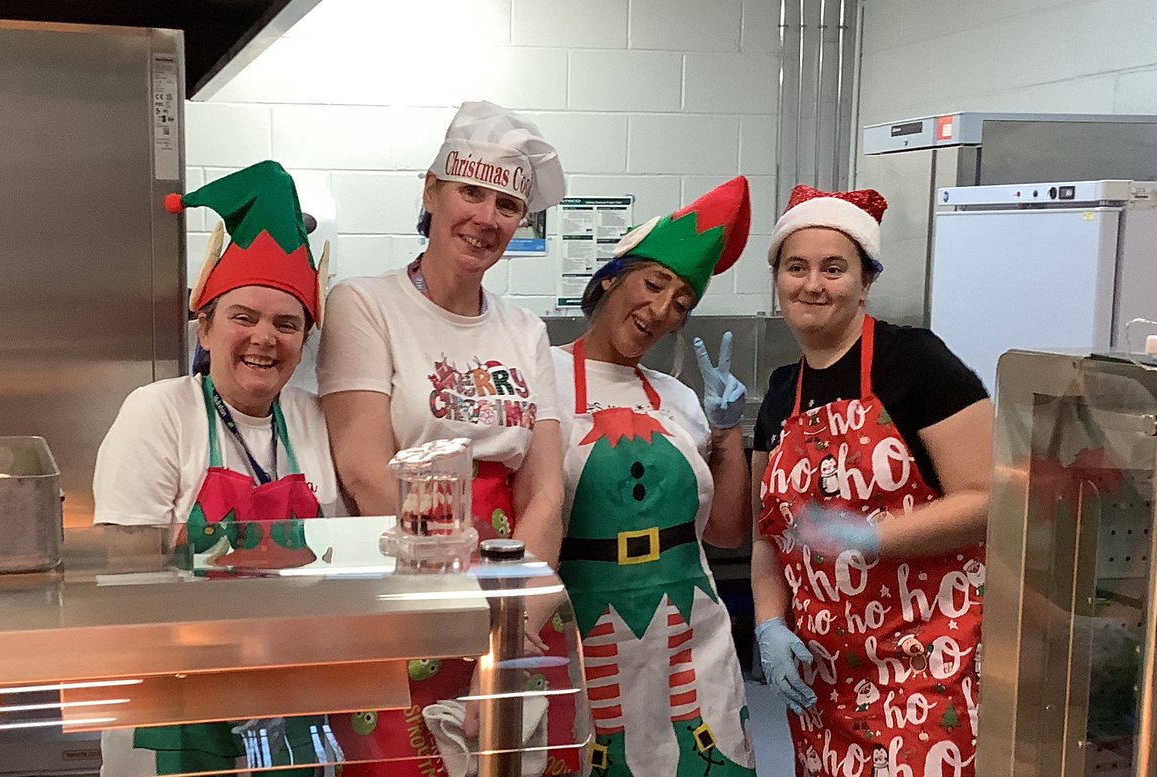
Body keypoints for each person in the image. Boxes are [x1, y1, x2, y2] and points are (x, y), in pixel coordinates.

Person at [316, 100, 567, 776]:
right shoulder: (364, 304)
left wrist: (508, 640)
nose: (487, 217)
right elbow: (366, 470)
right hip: (407, 592)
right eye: (471, 191)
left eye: (508, 204)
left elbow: (544, 493)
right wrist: (458, 619)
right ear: (431, 190)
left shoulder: (526, 332)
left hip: (515, 597)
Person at [93, 160, 340, 775]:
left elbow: (342, 564)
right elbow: (128, 574)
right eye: (243, 317)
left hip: (293, 700)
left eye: (287, 323)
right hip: (176, 699)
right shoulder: (160, 411)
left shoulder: (315, 418)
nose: (265, 337)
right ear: (204, 328)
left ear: (304, 340)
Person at [750, 185, 993, 776]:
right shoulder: (782, 391)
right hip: (824, 673)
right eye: (796, 267)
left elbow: (991, 499)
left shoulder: (916, 362)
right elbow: (768, 537)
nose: (813, 284)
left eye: (834, 268)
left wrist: (874, 537)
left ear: (866, 280)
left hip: (929, 661)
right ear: (778, 279)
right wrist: (768, 624)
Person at [553, 176, 757, 777]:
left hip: (691, 631)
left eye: (683, 302)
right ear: (612, 276)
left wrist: (728, 431)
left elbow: (723, 532)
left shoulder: (678, 398)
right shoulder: (540, 380)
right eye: (655, 283)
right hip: (587, 633)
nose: (663, 309)